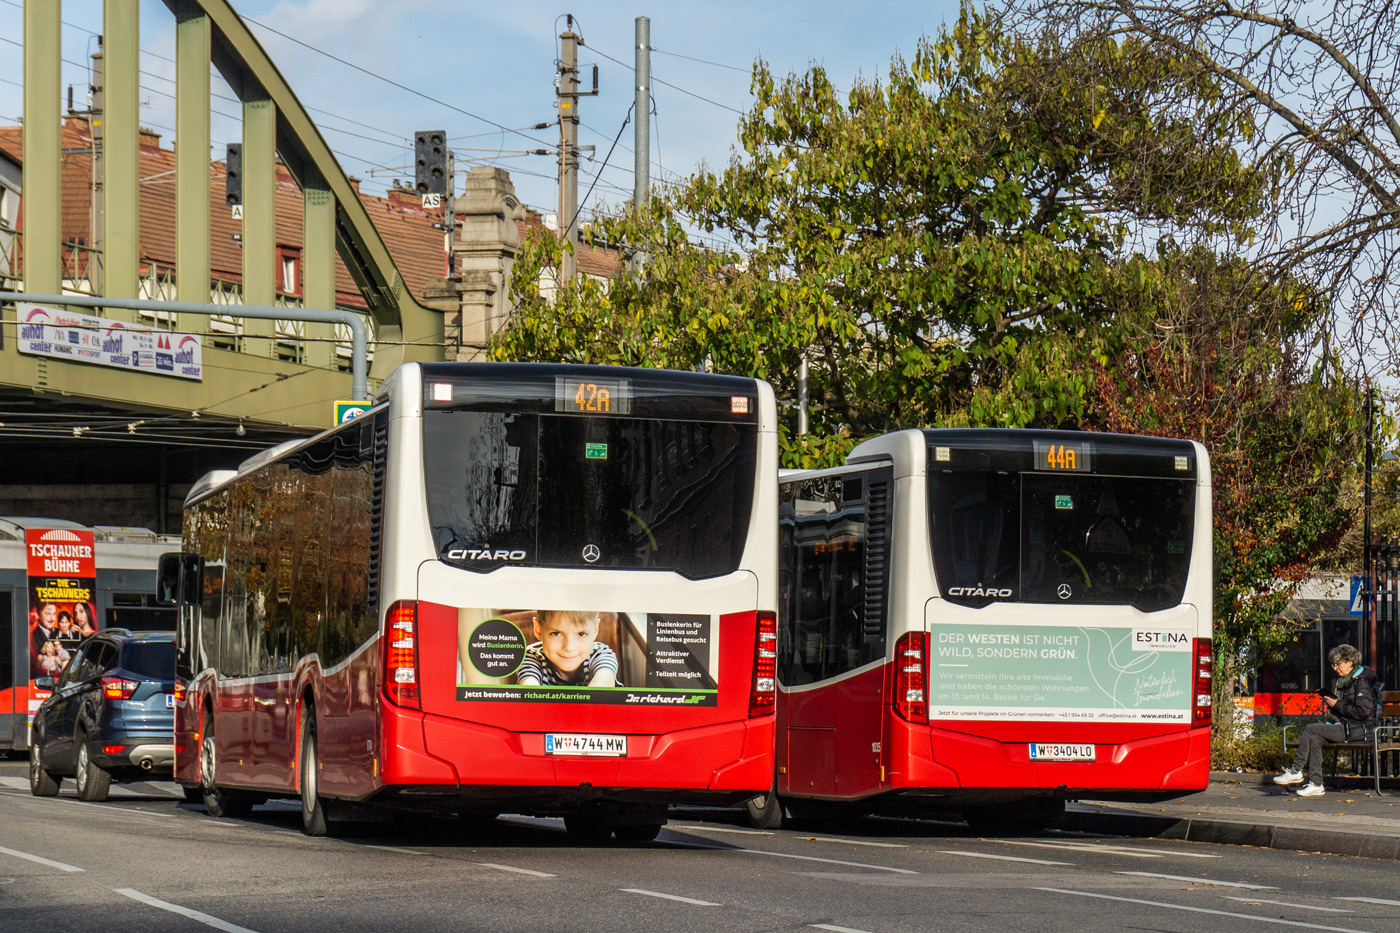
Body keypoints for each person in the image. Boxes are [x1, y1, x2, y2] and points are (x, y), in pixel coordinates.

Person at [1273, 644, 1377, 797]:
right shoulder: (1347, 682)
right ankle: (1316, 784)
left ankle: (1295, 770)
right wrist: (1333, 705)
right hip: (1348, 727)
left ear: (1350, 662)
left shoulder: (1361, 682)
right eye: (1333, 665)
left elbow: (1362, 712)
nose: (1335, 668)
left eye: (1337, 664)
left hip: (1360, 730)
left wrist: (1337, 704)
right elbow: (1346, 711)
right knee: (1315, 739)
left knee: (1310, 728)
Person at [516, 610, 619, 687]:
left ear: (595, 629)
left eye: (581, 634)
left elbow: (603, 685)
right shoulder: (530, 657)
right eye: (556, 633)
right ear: (538, 629)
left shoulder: (601, 654)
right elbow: (529, 689)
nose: (569, 648)